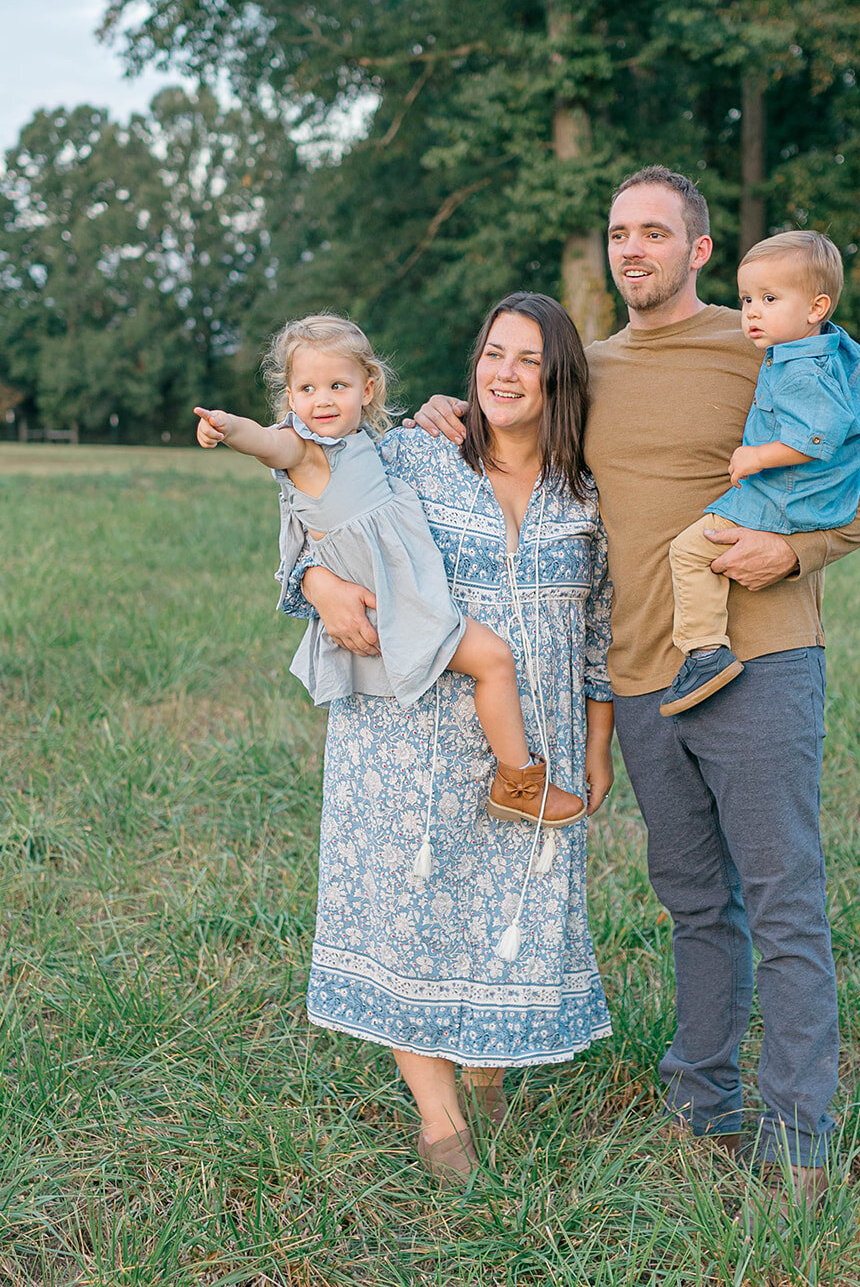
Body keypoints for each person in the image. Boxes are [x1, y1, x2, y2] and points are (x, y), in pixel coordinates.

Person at [413, 169, 860, 1218]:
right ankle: (701, 1108)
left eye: (654, 232)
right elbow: (511, 440)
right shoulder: (585, 370)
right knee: (694, 903)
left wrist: (798, 547)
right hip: (639, 674)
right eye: (617, 233)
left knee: (784, 898)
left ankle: (801, 1139)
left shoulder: (763, 340)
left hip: (762, 658)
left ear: (697, 250)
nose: (631, 248)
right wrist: (442, 414)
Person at [278, 294, 615, 1185]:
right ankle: (439, 1121)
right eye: (492, 354)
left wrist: (599, 739)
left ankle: (487, 1067)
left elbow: (600, 634)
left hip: (531, 748)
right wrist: (316, 582)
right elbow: (315, 512)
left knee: (512, 910)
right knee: (410, 919)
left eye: (527, 359)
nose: (503, 374)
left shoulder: (586, 491)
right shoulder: (415, 455)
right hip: (403, 741)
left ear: (559, 377)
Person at [193, 313, 584, 828]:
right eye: (307, 389)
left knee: (491, 661)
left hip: (400, 598)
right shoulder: (305, 450)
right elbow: (269, 443)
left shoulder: (368, 449)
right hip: (392, 607)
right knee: (493, 659)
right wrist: (228, 428)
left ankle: (515, 780)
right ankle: (518, 781)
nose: (324, 401)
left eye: (338, 385)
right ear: (290, 400)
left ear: (367, 387)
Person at [660, 231, 860, 716]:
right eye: (746, 299)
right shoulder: (835, 345)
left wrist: (757, 456)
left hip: (783, 498)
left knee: (688, 551)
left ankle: (705, 652)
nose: (752, 313)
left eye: (769, 299)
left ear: (815, 307)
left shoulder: (800, 371)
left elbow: (816, 437)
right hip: (814, 496)